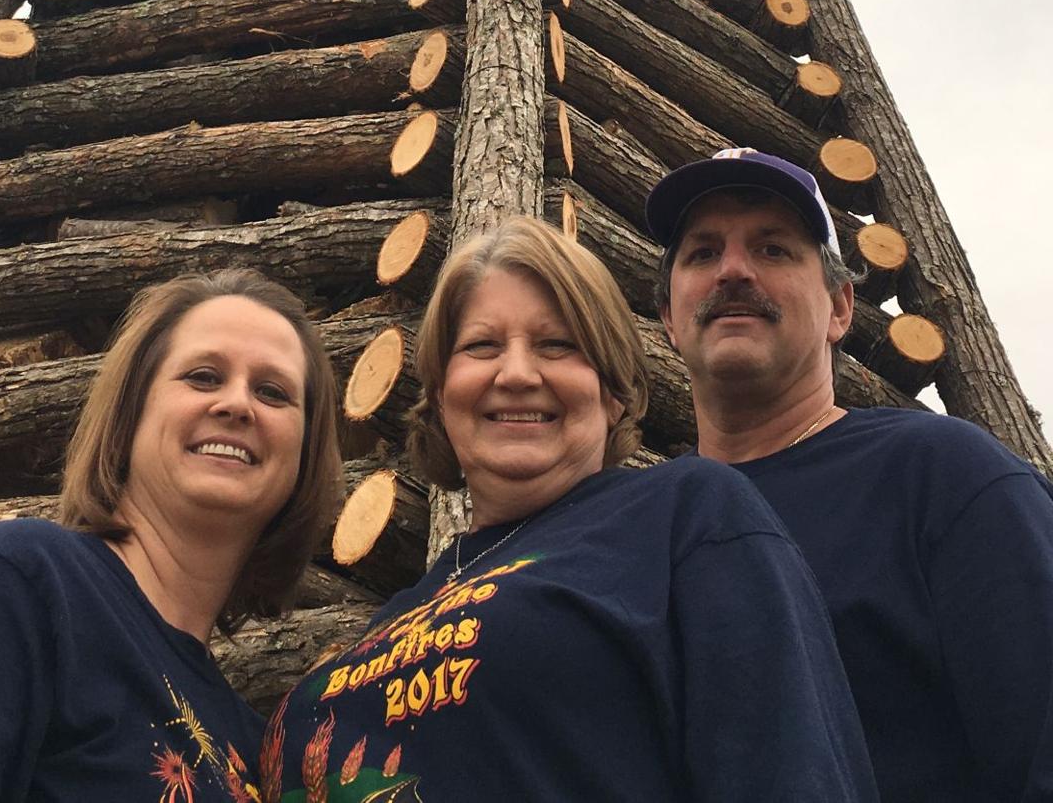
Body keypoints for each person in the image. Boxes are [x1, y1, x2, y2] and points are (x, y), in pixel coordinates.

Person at [266, 216, 877, 802]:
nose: (517, 373)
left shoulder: (686, 517)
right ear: (442, 395)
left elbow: (790, 771)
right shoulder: (399, 613)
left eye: (557, 346)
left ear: (612, 393)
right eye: (481, 347)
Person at [645, 146, 1053, 803]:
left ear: (840, 307)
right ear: (668, 316)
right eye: (702, 252)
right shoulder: (635, 529)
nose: (734, 271)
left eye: (774, 249)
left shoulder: (945, 479)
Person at [0, 265, 342, 801]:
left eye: (273, 392)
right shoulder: (21, 588)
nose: (236, 404)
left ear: (305, 452)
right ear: (132, 411)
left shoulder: (251, 749)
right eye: (203, 376)